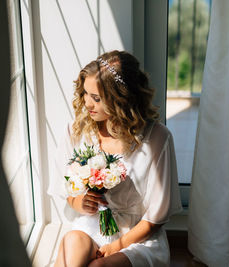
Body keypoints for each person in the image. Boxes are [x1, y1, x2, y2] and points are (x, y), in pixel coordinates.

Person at [49, 50, 182, 267]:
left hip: (137, 236)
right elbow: (67, 190)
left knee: (98, 266)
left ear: (121, 98)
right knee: (72, 243)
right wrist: (80, 202)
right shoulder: (77, 131)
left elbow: (154, 219)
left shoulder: (157, 138)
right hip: (91, 225)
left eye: (97, 98)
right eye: (85, 94)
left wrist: (117, 246)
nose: (88, 104)